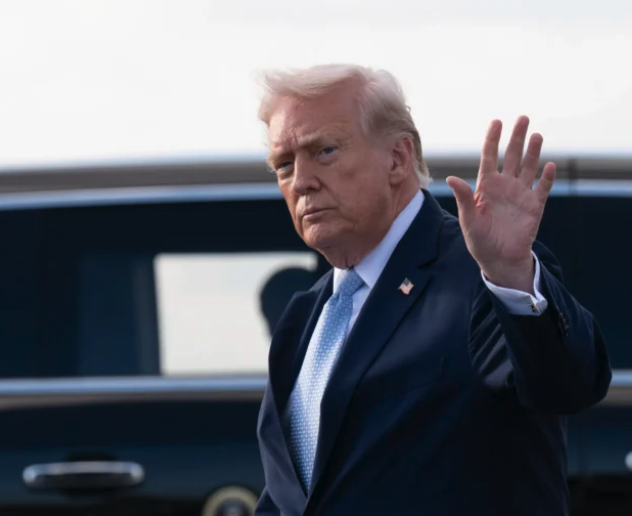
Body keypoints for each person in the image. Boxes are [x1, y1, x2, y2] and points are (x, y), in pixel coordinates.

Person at [254, 64, 611, 516]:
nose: (300, 180)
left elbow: (569, 384)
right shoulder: (302, 319)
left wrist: (512, 274)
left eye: (324, 151)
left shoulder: (484, 276)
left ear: (399, 159)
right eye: (284, 164)